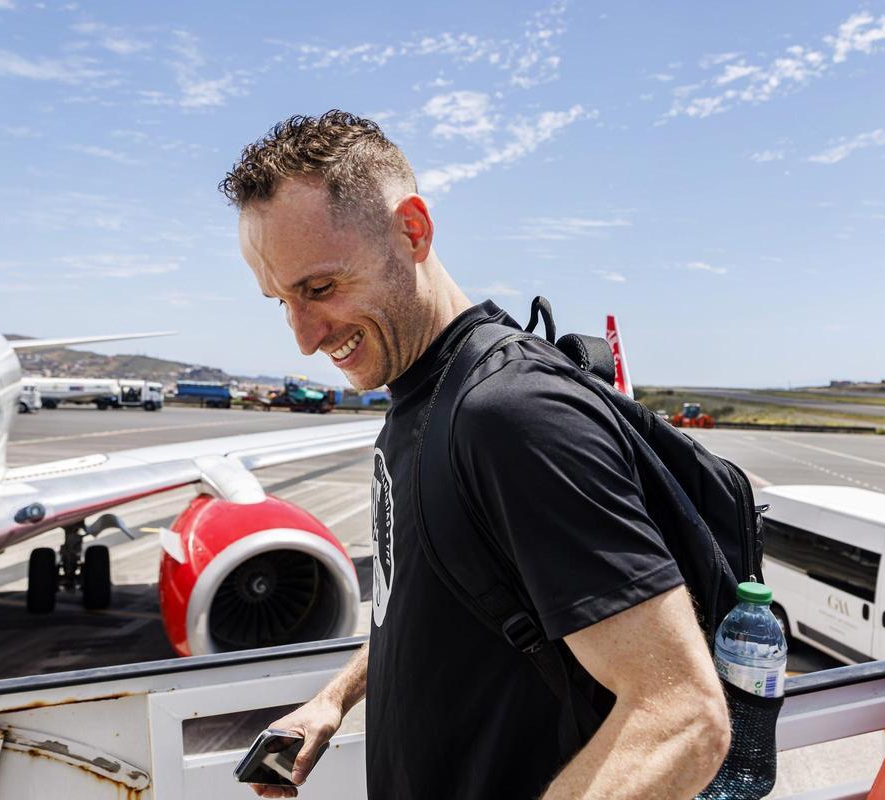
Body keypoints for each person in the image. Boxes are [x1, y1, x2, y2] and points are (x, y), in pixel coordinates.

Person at [221, 110, 730, 800]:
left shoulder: (509, 416)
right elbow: (428, 607)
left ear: (412, 231)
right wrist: (334, 699)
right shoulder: (416, 399)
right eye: (281, 301)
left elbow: (681, 716)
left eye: (319, 288)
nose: (305, 337)